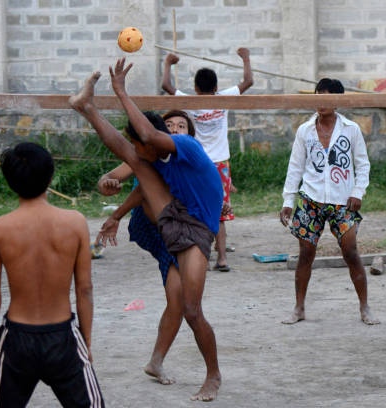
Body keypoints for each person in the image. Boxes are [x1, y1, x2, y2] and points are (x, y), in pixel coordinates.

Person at [69, 59, 223, 401]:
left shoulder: (187, 148)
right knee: (134, 160)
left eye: (142, 145)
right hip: (169, 220)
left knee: (191, 309)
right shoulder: (153, 159)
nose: (138, 152)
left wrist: (122, 91)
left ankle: (213, 375)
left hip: (197, 231)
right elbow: (129, 149)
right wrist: (117, 215)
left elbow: (150, 136)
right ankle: (86, 107)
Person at [0, 142, 104, 407]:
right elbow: (85, 289)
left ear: (9, 181)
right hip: (63, 336)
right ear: (50, 175)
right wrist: (86, 342)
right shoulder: (75, 222)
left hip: (17, 338)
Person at [95, 110, 195, 385]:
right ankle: (157, 360)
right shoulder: (145, 157)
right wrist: (108, 184)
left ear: (190, 135)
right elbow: (111, 179)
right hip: (151, 228)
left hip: (174, 234)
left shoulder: (189, 159)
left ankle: (156, 361)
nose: (175, 129)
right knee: (180, 298)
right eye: (169, 125)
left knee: (179, 299)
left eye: (181, 126)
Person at [279, 78, 378, 326]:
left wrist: (358, 191)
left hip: (343, 202)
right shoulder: (305, 130)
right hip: (310, 200)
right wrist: (288, 200)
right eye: (317, 95)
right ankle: (299, 307)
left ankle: (365, 307)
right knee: (305, 254)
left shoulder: (351, 129)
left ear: (338, 100)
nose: (321, 101)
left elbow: (362, 164)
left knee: (351, 251)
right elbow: (295, 166)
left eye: (327, 96)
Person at [162, 48, 254, 272]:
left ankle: (189, 250)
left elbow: (166, 86)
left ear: (195, 88)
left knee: (190, 206)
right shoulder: (223, 98)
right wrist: (245, 57)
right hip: (220, 164)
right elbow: (248, 81)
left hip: (196, 162)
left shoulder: (190, 102)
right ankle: (221, 258)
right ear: (215, 88)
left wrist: (168, 63)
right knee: (218, 210)